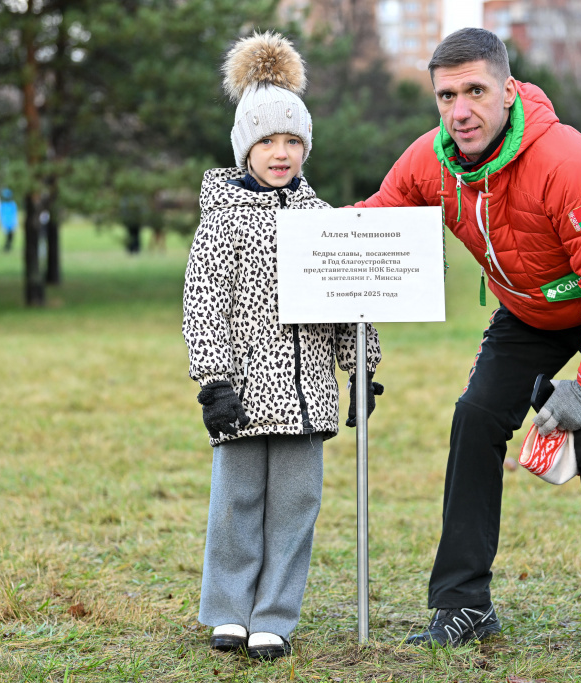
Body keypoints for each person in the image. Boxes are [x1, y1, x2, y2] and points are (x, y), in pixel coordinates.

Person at [354, 28, 581, 649]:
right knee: (475, 418)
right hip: (530, 312)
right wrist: (303, 236)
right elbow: (377, 216)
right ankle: (463, 604)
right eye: (446, 96)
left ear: (507, 90)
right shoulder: (430, 159)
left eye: (475, 91)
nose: (460, 111)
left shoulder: (569, 163)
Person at [182, 31, 384, 661]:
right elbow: (204, 303)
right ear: (246, 147)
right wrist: (214, 381)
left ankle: (273, 615)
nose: (280, 152)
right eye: (267, 140)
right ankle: (228, 610)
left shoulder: (322, 219)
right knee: (236, 504)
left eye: (292, 141)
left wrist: (361, 369)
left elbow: (352, 301)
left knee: (295, 507)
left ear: (305, 148)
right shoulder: (222, 220)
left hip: (309, 396)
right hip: (244, 393)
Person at [0, 188, 17, 253]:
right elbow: (1, 214)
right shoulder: (3, 205)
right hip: (6, 223)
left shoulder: (12, 204)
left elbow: (14, 214)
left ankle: (9, 246)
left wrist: (15, 223)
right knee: (6, 236)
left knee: (11, 236)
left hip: (11, 223)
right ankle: (6, 246)